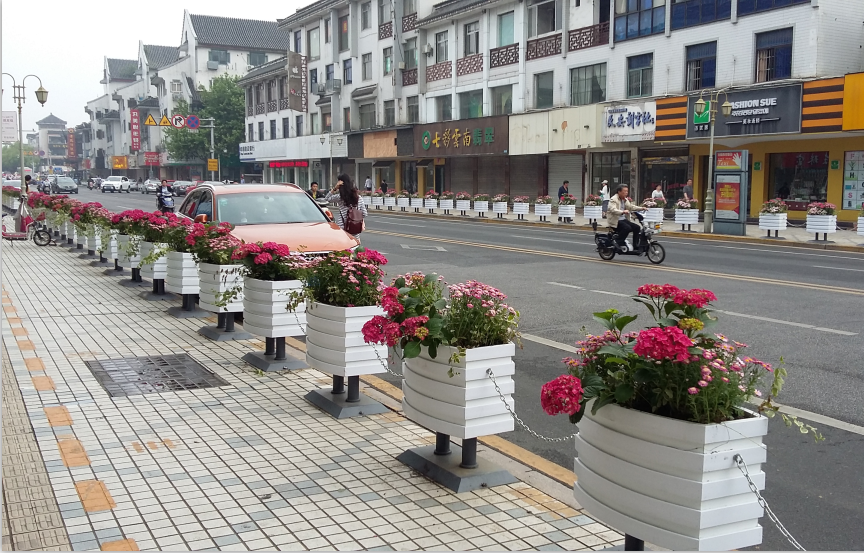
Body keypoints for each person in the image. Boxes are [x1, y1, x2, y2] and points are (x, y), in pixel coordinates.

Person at [606, 184, 646, 251]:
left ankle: (635, 246)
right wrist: (622, 211)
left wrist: (641, 208)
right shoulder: (613, 199)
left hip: (623, 219)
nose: (626, 193)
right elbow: (612, 209)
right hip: (615, 220)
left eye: (627, 191)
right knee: (627, 228)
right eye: (625, 191)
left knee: (637, 227)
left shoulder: (625, 199)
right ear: (619, 192)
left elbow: (631, 207)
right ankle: (618, 241)